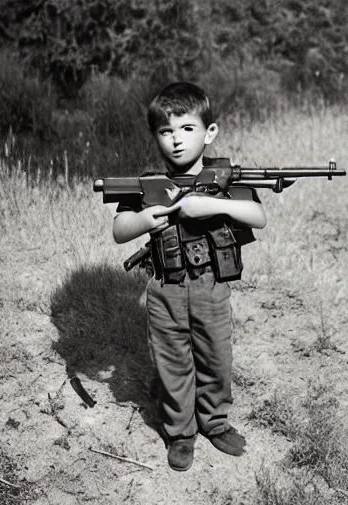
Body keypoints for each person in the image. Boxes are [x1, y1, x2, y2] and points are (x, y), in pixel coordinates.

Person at [112, 82, 267, 471]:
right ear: (155, 137)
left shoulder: (225, 179)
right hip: (164, 290)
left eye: (186, 129)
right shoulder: (147, 186)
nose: (177, 141)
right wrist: (145, 219)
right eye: (166, 131)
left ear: (208, 133)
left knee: (216, 357)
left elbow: (258, 217)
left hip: (211, 287)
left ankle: (214, 423)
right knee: (173, 361)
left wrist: (210, 205)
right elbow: (120, 229)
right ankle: (180, 433)